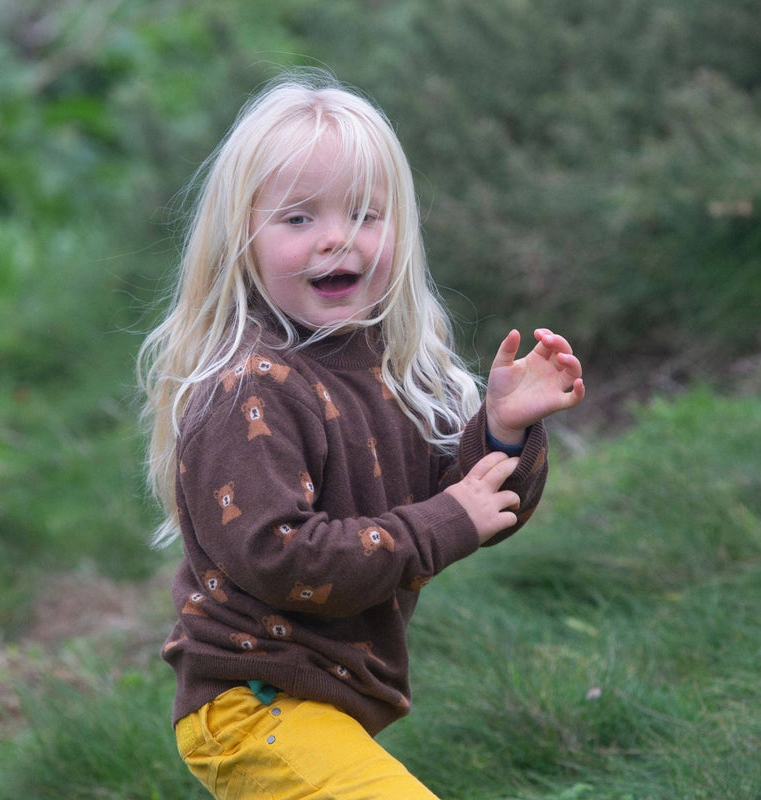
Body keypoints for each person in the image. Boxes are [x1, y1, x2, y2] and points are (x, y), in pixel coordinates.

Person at [138, 68, 584, 800]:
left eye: (366, 215)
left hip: (324, 699)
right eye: (298, 219)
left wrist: (503, 430)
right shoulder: (249, 386)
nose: (337, 238)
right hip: (252, 703)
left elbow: (471, 508)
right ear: (240, 240)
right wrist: (445, 522)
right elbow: (285, 558)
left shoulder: (384, 368)